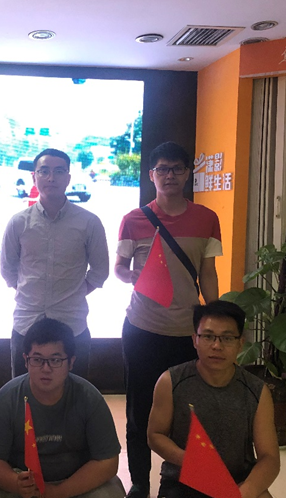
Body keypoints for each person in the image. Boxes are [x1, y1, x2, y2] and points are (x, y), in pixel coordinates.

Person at [114, 142, 222, 498]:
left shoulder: (207, 218)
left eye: (177, 168)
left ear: (188, 173)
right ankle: (140, 482)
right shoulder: (133, 219)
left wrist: (216, 317)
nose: (170, 175)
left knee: (190, 411)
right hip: (142, 329)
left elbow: (208, 272)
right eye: (162, 169)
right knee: (139, 411)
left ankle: (182, 479)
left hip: (187, 333)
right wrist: (128, 275)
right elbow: (119, 267)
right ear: (151, 175)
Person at [0, 318, 125, 498]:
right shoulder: (7, 399)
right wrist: (16, 483)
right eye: (37, 359)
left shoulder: (89, 398)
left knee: (110, 493)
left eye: (55, 360)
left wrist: (59, 492)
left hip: (75, 480)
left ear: (71, 362)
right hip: (22, 480)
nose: (46, 368)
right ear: (26, 361)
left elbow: (107, 461)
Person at [147, 301, 280, 498]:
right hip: (182, 482)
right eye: (208, 336)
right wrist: (189, 460)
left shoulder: (257, 391)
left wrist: (245, 491)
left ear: (240, 343)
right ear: (195, 340)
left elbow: (269, 457)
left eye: (227, 338)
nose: (217, 346)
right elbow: (155, 435)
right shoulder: (170, 381)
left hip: (238, 481)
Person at [1, 148, 109, 379]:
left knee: (73, 394)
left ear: (68, 178)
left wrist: (73, 293)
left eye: (59, 171)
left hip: (72, 324)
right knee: (24, 393)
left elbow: (100, 272)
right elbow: (8, 270)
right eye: (44, 171)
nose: (51, 178)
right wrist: (31, 292)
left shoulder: (89, 222)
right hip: (26, 323)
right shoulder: (18, 222)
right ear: (34, 177)